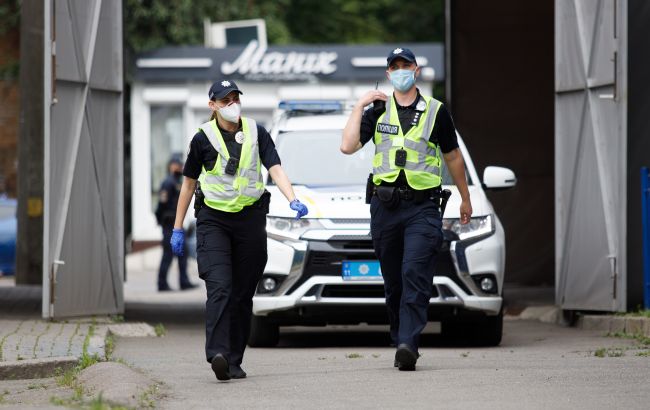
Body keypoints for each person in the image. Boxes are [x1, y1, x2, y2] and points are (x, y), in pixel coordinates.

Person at [341, 47, 472, 371]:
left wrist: (465, 197)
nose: (400, 70)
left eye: (406, 65)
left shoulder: (435, 111)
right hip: (386, 208)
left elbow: (452, 156)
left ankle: (408, 344)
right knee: (394, 280)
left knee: (415, 272)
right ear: (388, 74)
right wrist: (359, 105)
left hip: (423, 207)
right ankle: (400, 334)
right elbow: (347, 146)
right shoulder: (377, 112)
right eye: (394, 66)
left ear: (416, 70)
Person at [170, 79, 308, 381]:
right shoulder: (202, 139)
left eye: (235, 98)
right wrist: (177, 227)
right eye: (225, 100)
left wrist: (293, 198)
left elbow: (275, 168)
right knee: (220, 286)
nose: (232, 104)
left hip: (249, 221)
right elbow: (189, 184)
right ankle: (218, 353)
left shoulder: (257, 133)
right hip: (214, 222)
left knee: (243, 293)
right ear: (213, 106)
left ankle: (233, 359)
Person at [154, 155, 197, 292]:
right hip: (169, 224)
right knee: (168, 255)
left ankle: (184, 282)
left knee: (182, 254)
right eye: (177, 165)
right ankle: (162, 284)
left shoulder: (178, 181)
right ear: (171, 166)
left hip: (177, 224)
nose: (180, 167)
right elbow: (161, 205)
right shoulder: (168, 182)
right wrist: (161, 221)